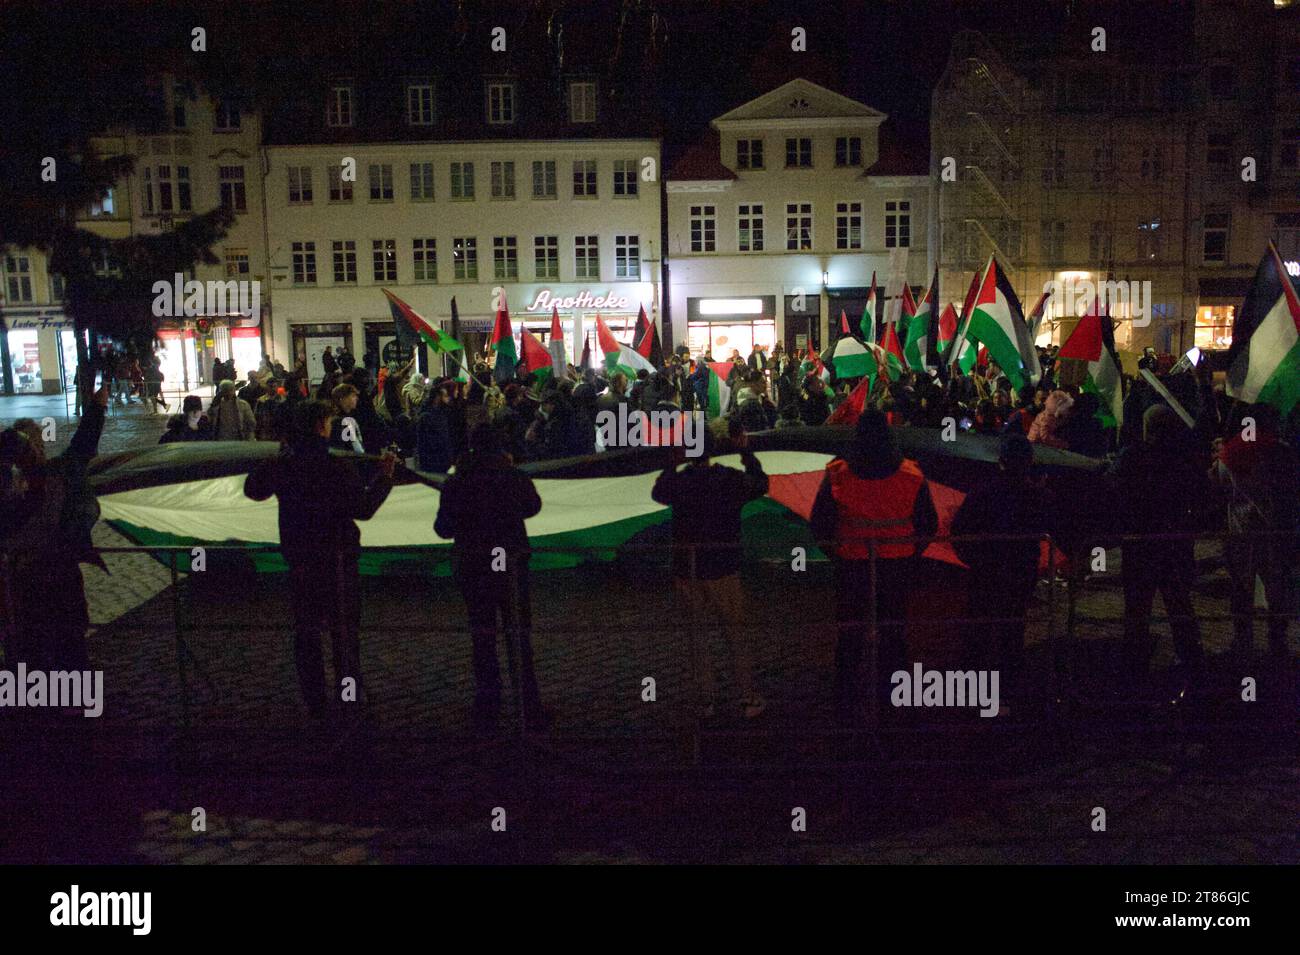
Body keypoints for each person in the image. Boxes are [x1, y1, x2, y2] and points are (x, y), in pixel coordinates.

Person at [244, 400, 396, 716]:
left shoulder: (285, 465)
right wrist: (384, 478)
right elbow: (363, 509)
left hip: (300, 559)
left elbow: (253, 490)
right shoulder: (337, 467)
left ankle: (314, 700)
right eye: (328, 422)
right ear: (320, 426)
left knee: (307, 636)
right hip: (338, 560)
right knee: (344, 636)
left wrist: (276, 460)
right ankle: (350, 695)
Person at [810, 409, 938, 724]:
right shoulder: (911, 475)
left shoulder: (838, 473)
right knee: (893, 633)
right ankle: (893, 697)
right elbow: (928, 523)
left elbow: (820, 523)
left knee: (850, 635)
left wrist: (838, 553)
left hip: (852, 566)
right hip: (895, 566)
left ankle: (846, 699)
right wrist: (909, 552)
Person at [434, 424, 547, 732]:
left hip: (474, 565)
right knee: (519, 635)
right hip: (510, 562)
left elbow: (443, 528)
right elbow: (533, 506)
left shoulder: (458, 481)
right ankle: (528, 703)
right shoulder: (512, 476)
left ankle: (488, 703)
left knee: (482, 636)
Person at [651, 421, 769, 718]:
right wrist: (746, 453)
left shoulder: (680, 483)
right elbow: (761, 483)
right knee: (734, 633)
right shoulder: (728, 479)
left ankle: (705, 700)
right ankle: (747, 696)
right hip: (723, 565)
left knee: (697, 637)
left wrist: (671, 464)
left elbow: (659, 492)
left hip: (688, 567)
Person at [1112, 404, 1211, 687]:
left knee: (1137, 608)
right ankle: (1191, 659)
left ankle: (1135, 665)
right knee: (1179, 603)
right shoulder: (1182, 458)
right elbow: (1200, 494)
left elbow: (1114, 489)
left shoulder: (1133, 456)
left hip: (1141, 543)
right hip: (1173, 541)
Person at [951, 434, 1051, 708]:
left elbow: (959, 529)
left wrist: (973, 558)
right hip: (1019, 571)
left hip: (986, 569)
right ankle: (1009, 689)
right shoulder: (1035, 495)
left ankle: (973, 691)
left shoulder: (983, 493)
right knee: (1012, 629)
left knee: (978, 629)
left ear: (1001, 461)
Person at [1211, 403, 1298, 661]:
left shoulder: (1230, 452)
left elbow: (1219, 487)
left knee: (1241, 589)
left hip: (1240, 532)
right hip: (1275, 532)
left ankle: (1243, 642)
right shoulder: (1281, 451)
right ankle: (1277, 642)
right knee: (1277, 589)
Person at [415, 380, 456, 472]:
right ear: (437, 398)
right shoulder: (427, 417)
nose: (448, 399)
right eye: (445, 396)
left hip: (441, 461)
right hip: (433, 462)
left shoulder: (442, 413)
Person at [330, 383, 365, 453]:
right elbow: (357, 448)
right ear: (342, 399)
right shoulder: (345, 421)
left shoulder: (334, 418)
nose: (356, 398)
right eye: (353, 396)